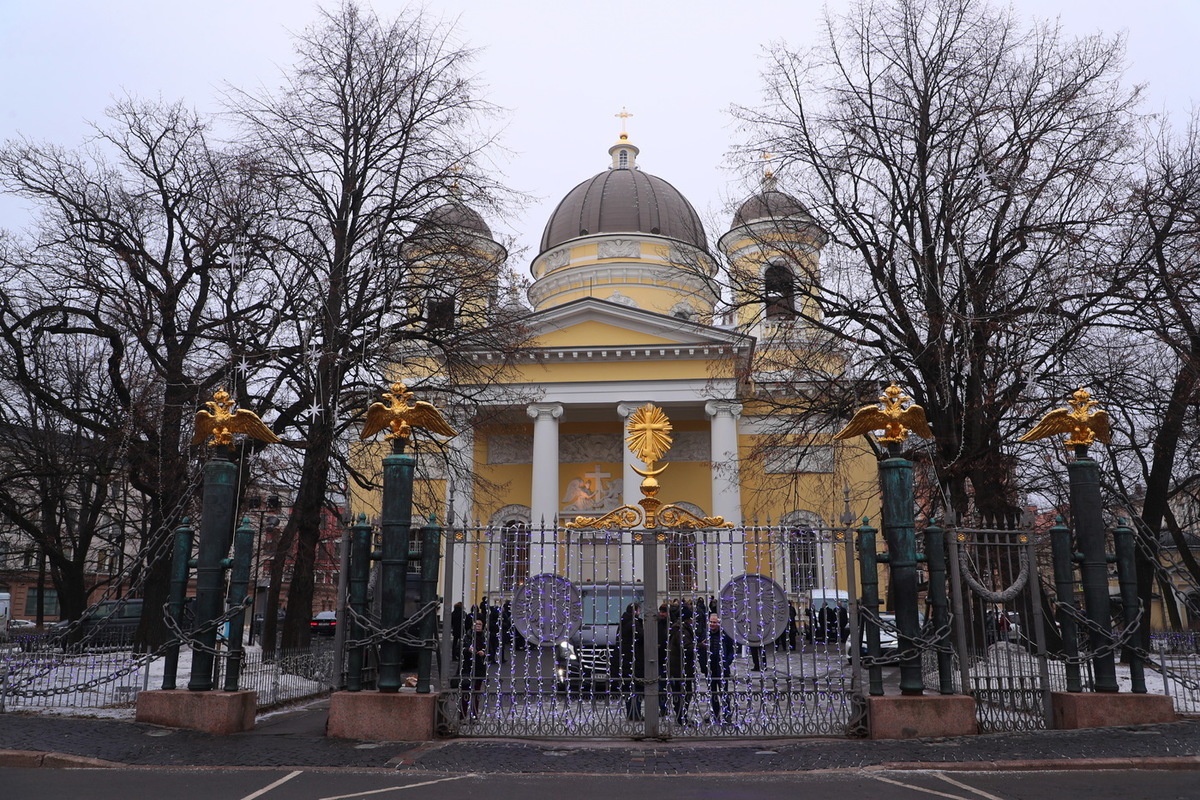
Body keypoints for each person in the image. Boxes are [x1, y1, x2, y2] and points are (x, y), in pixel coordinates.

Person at [699, 612, 736, 725]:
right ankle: (715, 715)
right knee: (713, 694)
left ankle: (727, 715)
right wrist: (703, 667)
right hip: (710, 669)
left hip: (722, 669)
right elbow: (700, 652)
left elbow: (731, 650)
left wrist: (726, 663)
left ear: (719, 623)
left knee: (724, 693)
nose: (712, 624)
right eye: (711, 622)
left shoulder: (725, 635)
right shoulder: (705, 634)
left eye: (715, 622)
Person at [667, 604, 697, 725]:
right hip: (680, 667)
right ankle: (681, 717)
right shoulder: (680, 629)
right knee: (684, 692)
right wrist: (699, 646)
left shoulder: (680, 627)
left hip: (682, 666)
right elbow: (685, 646)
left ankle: (681, 716)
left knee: (683, 692)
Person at [616, 602, 644, 721]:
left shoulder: (623, 622)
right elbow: (642, 636)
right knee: (636, 688)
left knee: (628, 688)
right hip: (634, 658)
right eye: (638, 610)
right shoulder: (633, 623)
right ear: (636, 611)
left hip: (624, 658)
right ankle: (635, 713)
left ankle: (631, 713)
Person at [459, 618, 489, 721]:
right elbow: (458, 649)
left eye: (480, 624)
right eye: (476, 624)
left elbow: (491, 651)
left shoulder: (485, 637)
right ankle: (462, 717)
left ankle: (474, 717)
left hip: (479, 668)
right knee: (465, 692)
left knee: (476, 693)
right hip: (467, 667)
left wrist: (484, 652)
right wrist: (468, 649)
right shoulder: (467, 636)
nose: (478, 626)